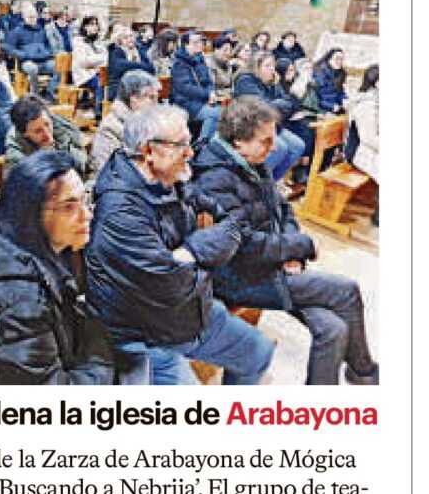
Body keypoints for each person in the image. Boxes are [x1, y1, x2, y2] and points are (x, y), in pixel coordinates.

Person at [193, 97, 378, 384]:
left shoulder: (252, 161)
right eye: (265, 141)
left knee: (333, 329)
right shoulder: (214, 179)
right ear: (238, 141)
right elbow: (242, 245)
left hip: (270, 265)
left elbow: (283, 209)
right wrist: (300, 246)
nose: (274, 146)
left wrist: (292, 249)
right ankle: (364, 373)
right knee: (347, 290)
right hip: (239, 278)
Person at [87, 104, 275, 385]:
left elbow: (234, 221)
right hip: (143, 335)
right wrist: (207, 263)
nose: (191, 153)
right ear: (149, 151)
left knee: (258, 352)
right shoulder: (119, 212)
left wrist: (191, 252)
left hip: (188, 313)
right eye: (182, 145)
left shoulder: (171, 180)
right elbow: (172, 286)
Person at [0, 151, 115, 386]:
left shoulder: (39, 243)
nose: (87, 215)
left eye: (85, 200)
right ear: (33, 212)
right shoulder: (16, 299)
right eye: (70, 206)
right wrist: (102, 354)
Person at [234, 51, 306, 182]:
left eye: (273, 65)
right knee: (280, 147)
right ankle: (251, 181)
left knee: (298, 145)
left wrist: (289, 99)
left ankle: (269, 182)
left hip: (270, 125)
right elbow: (264, 108)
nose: (272, 69)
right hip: (249, 126)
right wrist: (282, 104)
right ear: (256, 67)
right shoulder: (245, 80)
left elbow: (291, 105)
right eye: (268, 66)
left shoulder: (272, 82)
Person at [90, 68, 159, 178]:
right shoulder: (110, 129)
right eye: (151, 98)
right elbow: (107, 173)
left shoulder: (147, 122)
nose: (156, 104)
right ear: (133, 98)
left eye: (156, 98)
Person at [5, 96, 87, 179]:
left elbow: (83, 164)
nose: (47, 134)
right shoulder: (16, 157)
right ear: (24, 134)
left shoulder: (66, 130)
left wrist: (64, 150)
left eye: (47, 124)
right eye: (38, 131)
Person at [2, 2, 60, 100]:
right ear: (24, 17)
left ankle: (49, 92)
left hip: (43, 60)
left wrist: (48, 53)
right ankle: (35, 95)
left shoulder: (41, 30)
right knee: (32, 68)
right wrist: (23, 55)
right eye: (29, 17)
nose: (32, 19)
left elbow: (48, 45)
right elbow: (7, 47)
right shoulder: (17, 31)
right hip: (26, 62)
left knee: (58, 67)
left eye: (34, 17)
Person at [170, 30, 220, 140]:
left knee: (224, 112)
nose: (200, 45)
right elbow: (185, 88)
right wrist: (207, 95)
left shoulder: (199, 60)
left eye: (201, 42)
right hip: (185, 103)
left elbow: (208, 81)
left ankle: (211, 142)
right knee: (214, 113)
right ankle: (202, 145)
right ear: (186, 45)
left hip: (201, 100)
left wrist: (211, 93)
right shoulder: (179, 63)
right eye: (195, 42)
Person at [347, 65, 379, 185]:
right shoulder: (366, 105)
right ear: (377, 83)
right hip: (361, 152)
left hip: (373, 148)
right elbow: (368, 139)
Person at [71, 14, 108, 114]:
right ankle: (98, 112)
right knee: (101, 81)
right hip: (84, 74)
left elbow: (106, 56)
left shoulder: (98, 42)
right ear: (85, 26)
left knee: (108, 79)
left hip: (96, 72)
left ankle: (105, 109)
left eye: (96, 24)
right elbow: (84, 62)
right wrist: (100, 60)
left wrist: (98, 60)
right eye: (91, 24)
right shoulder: (78, 42)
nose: (95, 27)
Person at [107, 24, 154, 99]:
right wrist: (140, 66)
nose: (130, 39)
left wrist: (133, 66)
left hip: (138, 88)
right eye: (126, 38)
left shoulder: (139, 51)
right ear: (120, 41)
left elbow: (151, 68)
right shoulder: (116, 52)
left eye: (131, 36)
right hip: (119, 88)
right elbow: (121, 66)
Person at [312, 47, 348, 113]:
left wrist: (344, 99)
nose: (339, 62)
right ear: (329, 59)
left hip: (336, 108)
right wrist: (331, 106)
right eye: (337, 58)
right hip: (320, 110)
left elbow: (340, 91)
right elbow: (314, 98)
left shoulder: (341, 73)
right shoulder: (319, 73)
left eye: (341, 59)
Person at [207, 32, 239, 98]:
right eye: (225, 50)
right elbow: (211, 89)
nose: (228, 53)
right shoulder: (209, 64)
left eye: (230, 50)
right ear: (216, 50)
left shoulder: (228, 63)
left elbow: (231, 84)